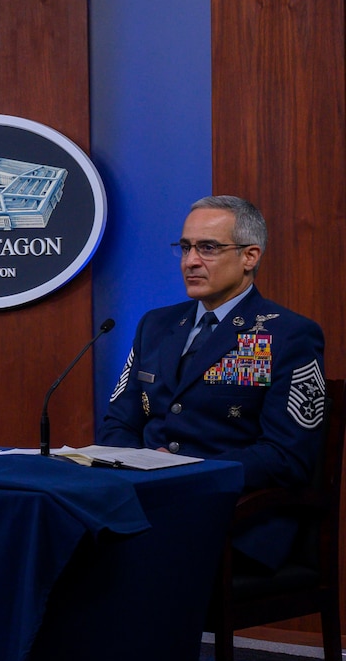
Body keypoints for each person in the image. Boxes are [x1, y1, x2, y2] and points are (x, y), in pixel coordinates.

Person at [96, 195, 327, 569]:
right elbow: (119, 424)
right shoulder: (156, 326)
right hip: (146, 500)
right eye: (185, 247)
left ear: (250, 257)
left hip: (236, 515)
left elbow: (286, 457)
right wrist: (136, 465)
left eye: (208, 248)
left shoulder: (285, 335)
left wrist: (187, 469)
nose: (190, 261)